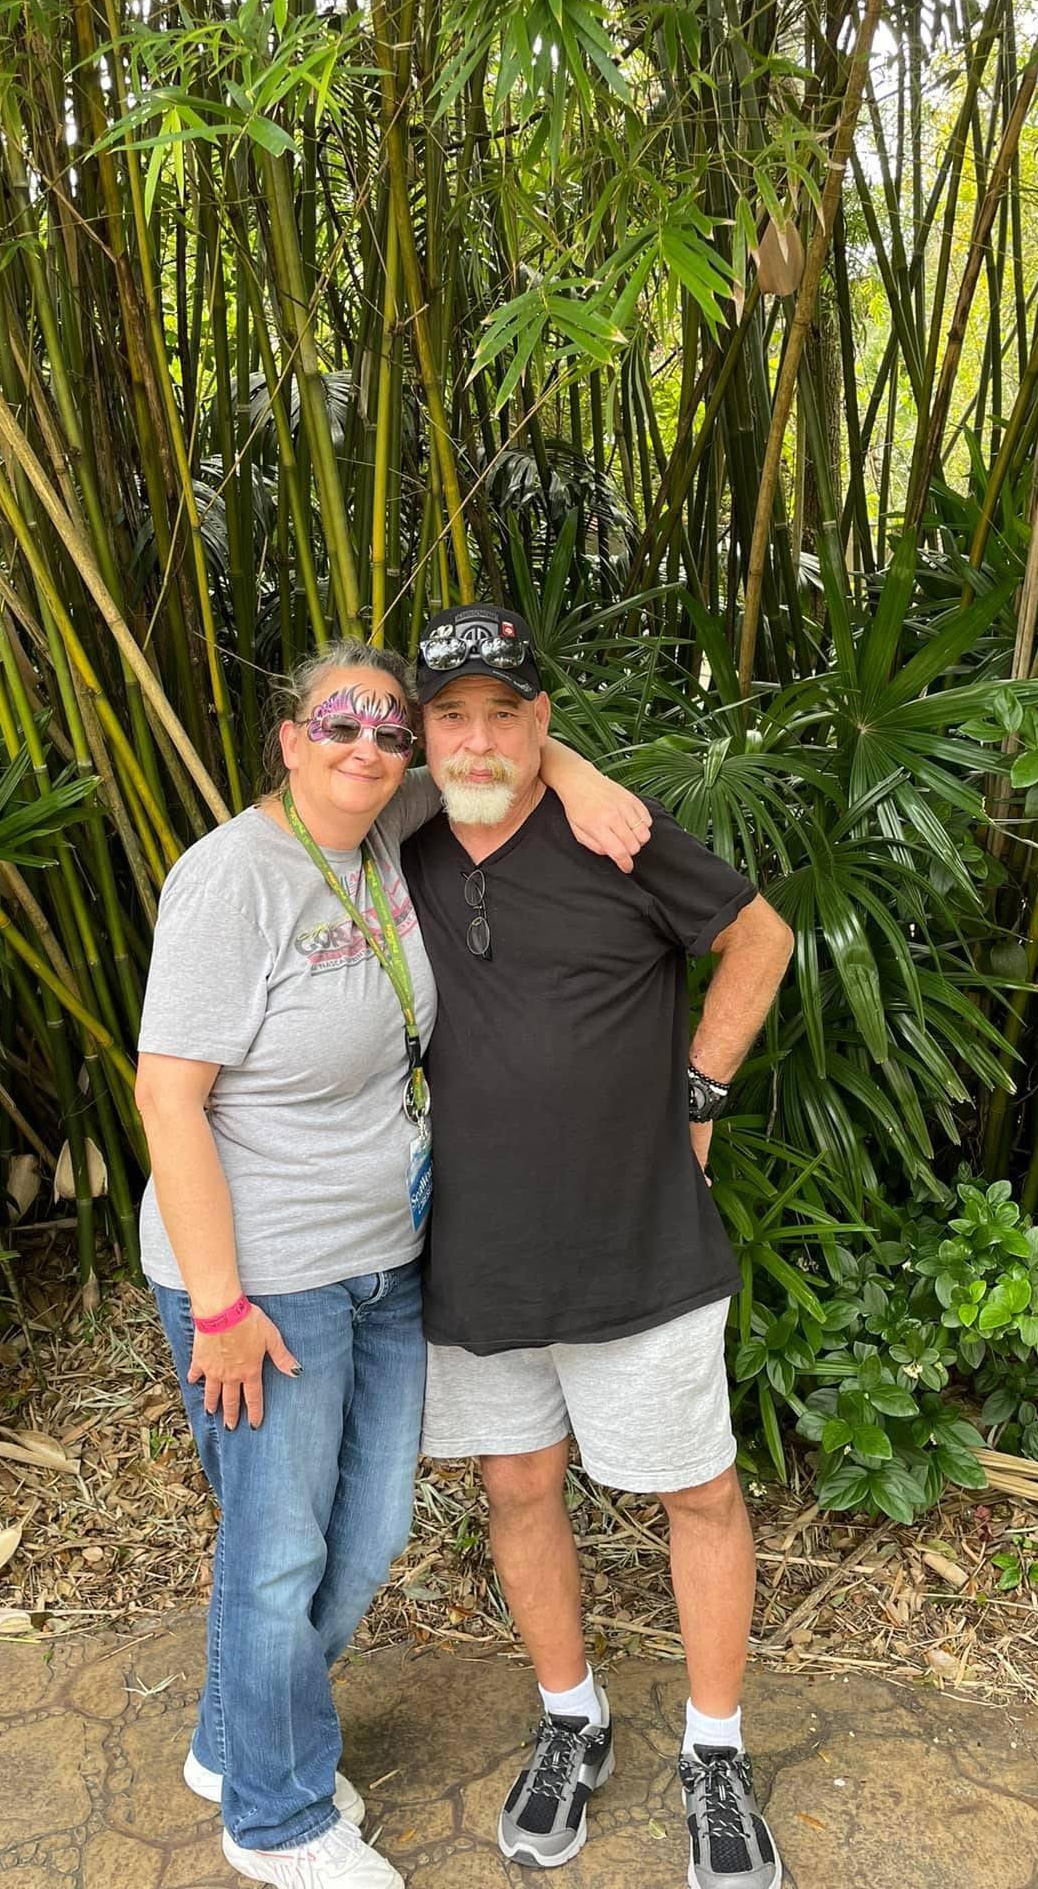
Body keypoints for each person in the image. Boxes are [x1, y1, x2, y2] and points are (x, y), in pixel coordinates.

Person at [135, 638, 651, 1889]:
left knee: (362, 1539)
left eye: (387, 732)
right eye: (338, 727)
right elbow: (167, 1095)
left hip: (386, 1258)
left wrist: (576, 772)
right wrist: (219, 1305)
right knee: (278, 1550)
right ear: (288, 737)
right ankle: (277, 1815)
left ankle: (234, 1734)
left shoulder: (386, 820)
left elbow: (500, 744)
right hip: (262, 1279)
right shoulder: (232, 875)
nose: (367, 749)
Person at [401, 605, 795, 1889]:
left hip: (639, 1233)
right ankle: (573, 1716)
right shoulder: (387, 839)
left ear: (541, 718)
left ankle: (716, 1752)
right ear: (417, 730)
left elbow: (763, 937)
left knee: (697, 1491)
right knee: (518, 1487)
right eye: (449, 713)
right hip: (476, 1248)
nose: (477, 739)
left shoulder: (616, 836)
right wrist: (547, 760)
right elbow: (305, 781)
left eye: (505, 713)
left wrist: (700, 1097)